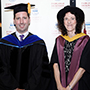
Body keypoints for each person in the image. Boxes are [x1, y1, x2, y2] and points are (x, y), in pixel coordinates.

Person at [0, 3, 50, 90]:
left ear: (29, 20)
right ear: (14, 21)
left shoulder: (38, 44)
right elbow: (1, 68)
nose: (21, 22)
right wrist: (14, 87)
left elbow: (41, 70)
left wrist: (28, 88)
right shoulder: (4, 43)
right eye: (18, 18)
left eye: (24, 18)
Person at [50, 6, 90, 90]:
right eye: (66, 19)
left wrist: (69, 88)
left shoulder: (85, 40)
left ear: (77, 21)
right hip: (60, 84)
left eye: (72, 18)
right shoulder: (59, 40)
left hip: (80, 84)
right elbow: (55, 64)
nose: (69, 22)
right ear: (62, 22)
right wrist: (59, 86)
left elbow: (83, 67)